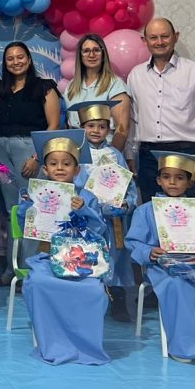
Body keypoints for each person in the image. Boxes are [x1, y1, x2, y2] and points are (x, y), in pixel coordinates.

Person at [127, 151, 195, 364]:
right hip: (163, 269)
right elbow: (133, 242)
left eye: (179, 178)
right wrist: (149, 252)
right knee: (180, 286)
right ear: (158, 180)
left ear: (190, 183)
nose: (172, 182)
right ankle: (185, 346)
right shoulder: (146, 211)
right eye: (166, 177)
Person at [20, 129, 110, 365]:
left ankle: (85, 346)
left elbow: (99, 229)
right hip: (46, 258)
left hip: (80, 261)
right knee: (38, 283)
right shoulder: (36, 194)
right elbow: (24, 226)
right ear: (44, 169)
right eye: (53, 163)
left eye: (67, 164)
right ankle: (53, 343)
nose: (60, 168)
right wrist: (27, 208)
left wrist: (83, 210)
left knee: (93, 290)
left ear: (77, 170)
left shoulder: (86, 196)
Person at [126, 18, 195, 205]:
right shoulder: (136, 75)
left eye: (165, 36)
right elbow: (133, 119)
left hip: (187, 154)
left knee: (189, 216)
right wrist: (130, 155)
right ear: (144, 41)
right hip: (148, 156)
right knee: (151, 215)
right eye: (153, 37)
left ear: (175, 37)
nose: (159, 42)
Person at [0, 41, 60, 284]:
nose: (16, 62)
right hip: (2, 151)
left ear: (29, 59)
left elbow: (54, 125)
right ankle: (12, 270)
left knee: (31, 210)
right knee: (12, 211)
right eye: (10, 58)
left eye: (20, 57)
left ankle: (29, 270)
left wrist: (38, 157)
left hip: (30, 151)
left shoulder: (44, 87)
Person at [70, 99, 138, 322]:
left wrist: (126, 204)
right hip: (86, 217)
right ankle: (86, 298)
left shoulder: (115, 155)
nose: (96, 130)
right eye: (90, 125)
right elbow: (70, 183)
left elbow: (128, 186)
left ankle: (118, 298)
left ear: (109, 129)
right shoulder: (75, 154)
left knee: (115, 257)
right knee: (86, 255)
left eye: (102, 126)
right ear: (82, 127)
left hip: (111, 220)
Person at [63, 35, 131, 151]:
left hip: (105, 150)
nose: (91, 55)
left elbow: (122, 128)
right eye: (86, 51)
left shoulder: (115, 84)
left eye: (96, 50)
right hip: (77, 151)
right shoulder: (71, 86)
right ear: (80, 56)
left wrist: (112, 156)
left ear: (103, 54)